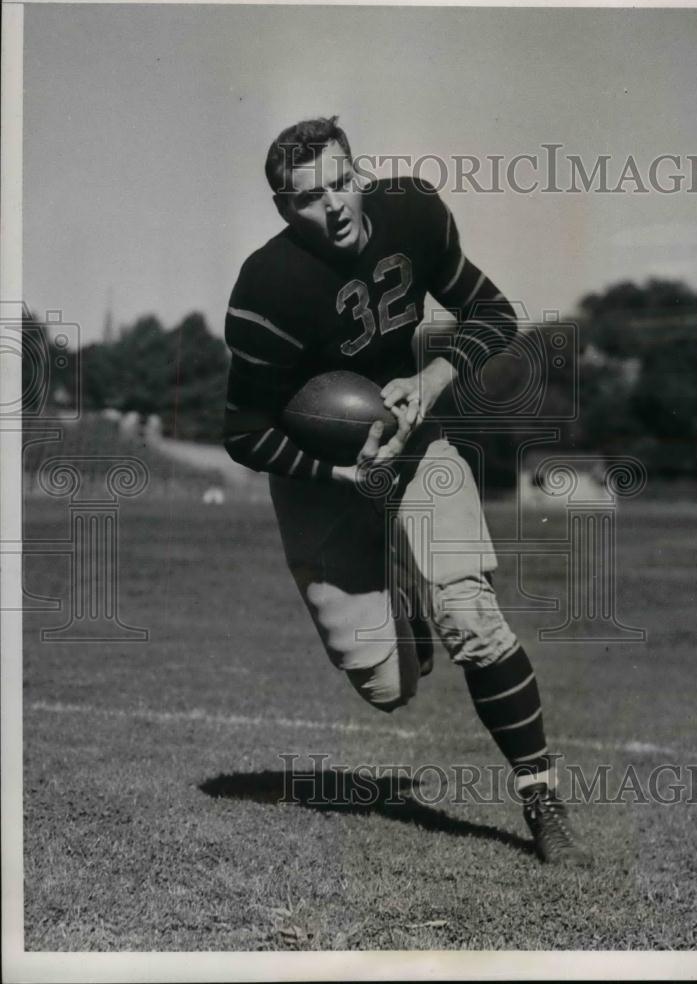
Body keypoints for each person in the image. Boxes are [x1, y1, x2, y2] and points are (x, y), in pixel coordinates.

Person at [223, 116, 591, 866]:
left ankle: (542, 797)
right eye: (307, 197)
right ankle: (404, 607)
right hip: (320, 469)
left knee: (472, 615)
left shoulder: (414, 212)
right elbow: (243, 433)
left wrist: (430, 381)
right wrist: (338, 472)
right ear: (282, 209)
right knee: (387, 687)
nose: (331, 205)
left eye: (340, 182)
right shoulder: (267, 287)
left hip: (413, 433)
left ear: (358, 174)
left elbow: (494, 312)